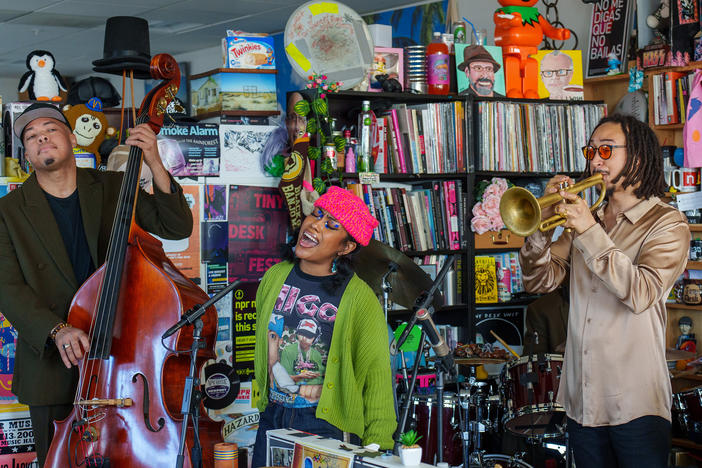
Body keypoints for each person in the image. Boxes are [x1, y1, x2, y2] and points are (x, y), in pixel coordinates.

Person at [0, 102, 193, 465]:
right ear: (26, 154)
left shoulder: (115, 186)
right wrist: (56, 330)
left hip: (123, 355)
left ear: (72, 138)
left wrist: (154, 161)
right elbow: (7, 287)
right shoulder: (6, 212)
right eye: (31, 135)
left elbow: (177, 227)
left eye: (50, 129)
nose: (42, 136)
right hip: (52, 364)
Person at [518, 114, 690, 467]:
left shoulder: (667, 224)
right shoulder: (589, 217)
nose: (595, 160)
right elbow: (539, 281)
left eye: (607, 150)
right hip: (582, 401)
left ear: (638, 157)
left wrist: (587, 231)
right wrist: (539, 225)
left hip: (636, 403)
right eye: (591, 150)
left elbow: (641, 292)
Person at [252, 186, 396, 467]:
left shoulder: (360, 299)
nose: (315, 225)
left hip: (326, 423)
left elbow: (377, 380)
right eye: (316, 214)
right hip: (273, 415)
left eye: (331, 225)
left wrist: (378, 451)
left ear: (346, 247)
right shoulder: (275, 276)